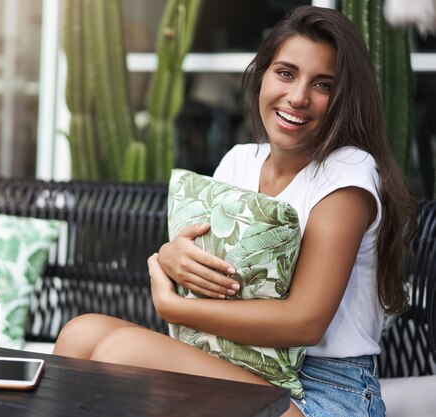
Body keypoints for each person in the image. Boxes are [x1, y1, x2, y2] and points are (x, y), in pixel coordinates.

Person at [53, 5, 417, 417]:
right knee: (80, 334)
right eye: (285, 73)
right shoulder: (240, 161)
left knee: (122, 350)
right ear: (261, 75)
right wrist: (171, 256)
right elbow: (203, 260)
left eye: (323, 84)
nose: (297, 96)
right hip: (239, 365)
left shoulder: (347, 173)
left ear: (344, 99)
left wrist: (176, 307)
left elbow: (305, 322)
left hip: (325, 393)